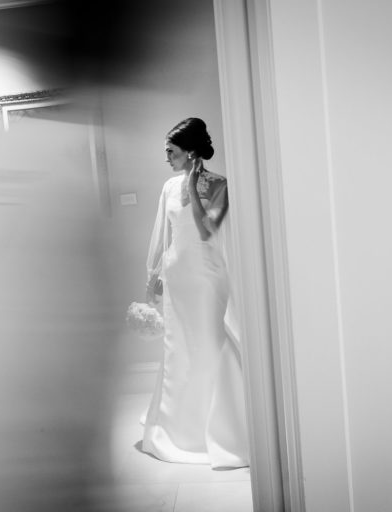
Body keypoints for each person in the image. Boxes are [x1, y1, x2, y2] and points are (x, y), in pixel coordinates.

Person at [142, 117, 249, 468]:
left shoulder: (220, 184)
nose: (167, 157)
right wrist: (155, 273)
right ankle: (176, 428)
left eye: (171, 151)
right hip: (177, 277)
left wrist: (192, 185)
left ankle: (220, 427)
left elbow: (207, 231)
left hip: (205, 278)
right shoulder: (167, 187)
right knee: (178, 348)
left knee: (208, 345)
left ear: (189, 152)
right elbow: (165, 234)